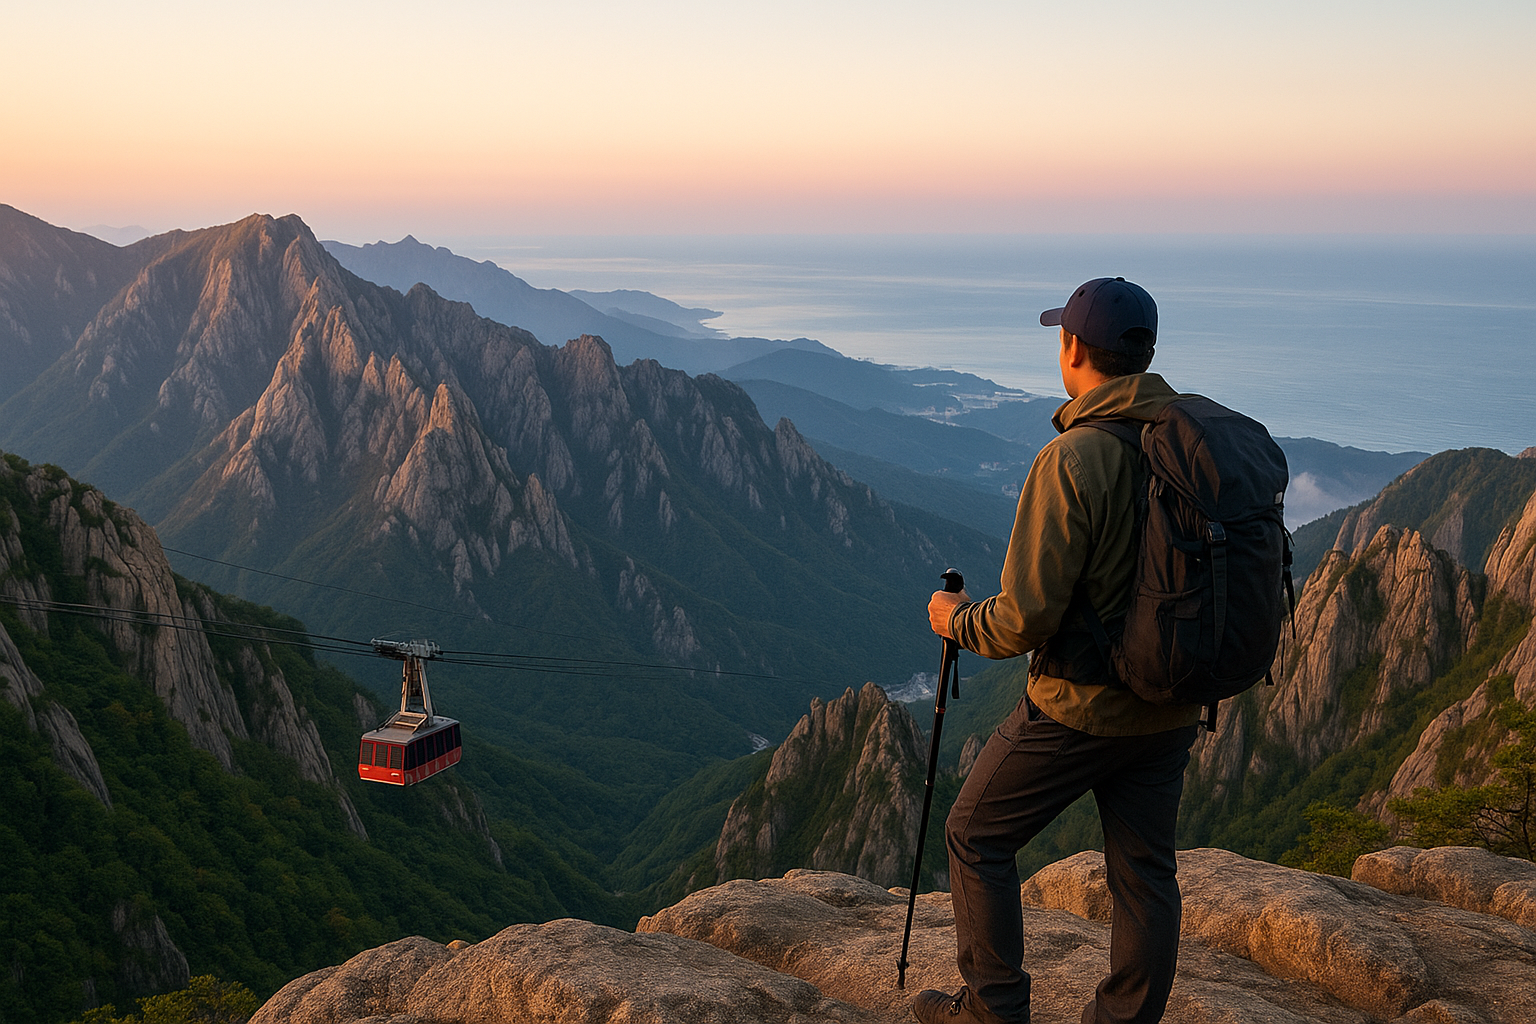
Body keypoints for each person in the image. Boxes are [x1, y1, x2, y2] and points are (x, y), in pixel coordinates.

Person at [917, 277, 1202, 1024]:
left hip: (1080, 708)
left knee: (975, 835)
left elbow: (1023, 619)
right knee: (1144, 873)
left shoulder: (1074, 460)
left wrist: (955, 622)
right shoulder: (1188, 445)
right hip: (1171, 703)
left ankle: (991, 1011)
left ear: (1074, 347)